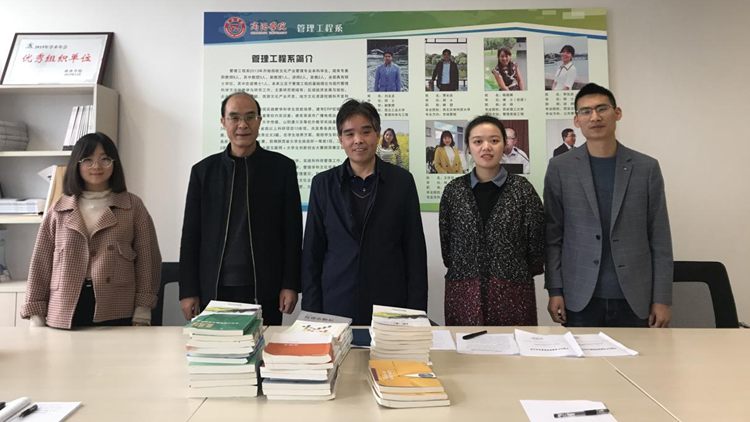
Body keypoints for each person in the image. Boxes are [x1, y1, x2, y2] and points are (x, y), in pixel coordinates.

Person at [544, 83, 673, 328]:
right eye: (586, 111)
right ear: (577, 120)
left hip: (636, 297)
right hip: (579, 297)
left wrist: (662, 298)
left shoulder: (646, 168)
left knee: (640, 355)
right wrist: (555, 289)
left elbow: (660, 237)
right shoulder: (560, 168)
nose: (595, 117)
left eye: (602, 108)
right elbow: (553, 236)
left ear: (617, 113)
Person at [179, 92, 302, 325]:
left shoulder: (281, 168)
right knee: (217, 347)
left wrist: (290, 284)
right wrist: (188, 290)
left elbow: (292, 233)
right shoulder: (203, 172)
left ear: (259, 121)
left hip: (265, 286)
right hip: (214, 287)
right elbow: (191, 235)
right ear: (223, 122)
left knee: (264, 346)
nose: (242, 125)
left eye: (250, 117)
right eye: (234, 117)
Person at [301, 99, 428, 325]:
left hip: (389, 303)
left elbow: (414, 251)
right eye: (349, 134)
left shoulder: (402, 182)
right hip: (336, 301)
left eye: (366, 132)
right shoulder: (323, 184)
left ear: (377, 135)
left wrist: (416, 313)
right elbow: (312, 251)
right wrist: (312, 311)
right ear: (341, 139)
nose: (358, 140)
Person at [21, 133, 161, 329]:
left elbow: (148, 261)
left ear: (114, 163)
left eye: (105, 159)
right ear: (76, 164)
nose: (96, 166)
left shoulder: (132, 207)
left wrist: (143, 310)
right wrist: (36, 314)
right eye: (88, 159)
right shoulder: (59, 209)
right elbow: (40, 264)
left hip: (117, 306)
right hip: (64, 307)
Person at [439, 115, 544, 326]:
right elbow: (447, 249)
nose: (486, 147)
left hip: (513, 295)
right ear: (469, 147)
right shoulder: (453, 191)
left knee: (513, 346)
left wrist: (509, 269)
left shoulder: (523, 190)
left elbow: (536, 248)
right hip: (464, 294)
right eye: (478, 141)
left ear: (504, 145)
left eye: (494, 140)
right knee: (463, 346)